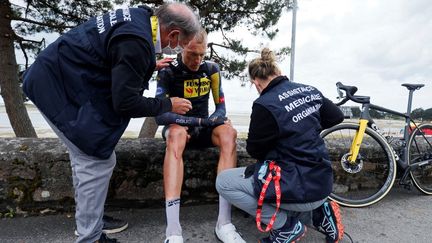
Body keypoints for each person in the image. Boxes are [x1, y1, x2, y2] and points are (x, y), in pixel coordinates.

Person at [22, 3, 200, 243]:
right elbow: (125, 103)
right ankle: (90, 237)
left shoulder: (140, 17)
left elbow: (113, 53)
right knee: (96, 160)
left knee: (87, 159)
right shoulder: (137, 42)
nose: (173, 48)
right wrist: (169, 105)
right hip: (55, 88)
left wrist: (148, 64)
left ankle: (90, 222)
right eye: (177, 43)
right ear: (174, 32)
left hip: (55, 76)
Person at [216, 48, 345, 243]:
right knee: (287, 183)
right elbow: (337, 116)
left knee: (224, 182)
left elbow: (254, 150)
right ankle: (321, 213)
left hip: (298, 189)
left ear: (255, 82)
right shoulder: (308, 90)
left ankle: (286, 227)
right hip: (323, 184)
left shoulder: (264, 104)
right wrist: (305, 128)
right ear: (278, 72)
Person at [154, 29, 245, 243]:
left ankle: (224, 223)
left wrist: (211, 121)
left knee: (229, 133)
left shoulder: (212, 69)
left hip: (203, 127)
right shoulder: (168, 70)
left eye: (202, 54)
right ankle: (173, 231)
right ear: (183, 46)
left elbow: (221, 109)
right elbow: (160, 116)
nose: (197, 60)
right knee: (176, 134)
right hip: (179, 128)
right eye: (193, 54)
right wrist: (200, 122)